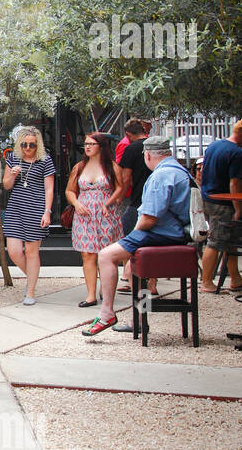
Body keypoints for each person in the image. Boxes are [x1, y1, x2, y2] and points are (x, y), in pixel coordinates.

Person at [82, 136, 194, 336]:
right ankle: (139, 319)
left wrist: (131, 237)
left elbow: (149, 218)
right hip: (176, 233)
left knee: (106, 255)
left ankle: (107, 312)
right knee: (132, 267)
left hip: (160, 233)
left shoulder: (161, 176)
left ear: (148, 155)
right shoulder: (180, 170)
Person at [199, 118, 242, 292]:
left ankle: (235, 278)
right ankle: (206, 281)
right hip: (223, 203)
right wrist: (238, 208)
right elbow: (235, 183)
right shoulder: (237, 153)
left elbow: (203, 172)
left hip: (208, 198)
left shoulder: (214, 146)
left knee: (229, 239)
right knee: (215, 241)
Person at [65, 132, 125, 307]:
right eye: (86, 144)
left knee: (106, 254)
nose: (88, 147)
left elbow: (121, 188)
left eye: (92, 144)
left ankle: (105, 291)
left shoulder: (112, 167)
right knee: (87, 254)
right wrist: (76, 203)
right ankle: (91, 294)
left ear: (101, 146)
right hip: (84, 214)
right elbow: (69, 190)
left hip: (106, 214)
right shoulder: (80, 167)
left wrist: (109, 203)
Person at [1, 126, 56, 306]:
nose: (28, 148)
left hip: (36, 208)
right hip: (15, 208)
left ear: (37, 144)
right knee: (14, 251)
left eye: (32, 145)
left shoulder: (45, 160)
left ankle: (30, 291)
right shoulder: (13, 158)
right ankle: (32, 278)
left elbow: (49, 188)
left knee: (32, 252)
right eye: (24, 144)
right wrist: (13, 175)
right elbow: (6, 185)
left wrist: (47, 211)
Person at [113, 118, 152, 292]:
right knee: (149, 239)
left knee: (128, 237)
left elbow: (125, 178)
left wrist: (119, 198)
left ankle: (133, 279)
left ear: (128, 134)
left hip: (137, 200)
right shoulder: (154, 146)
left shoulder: (131, 148)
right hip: (155, 200)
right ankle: (150, 284)